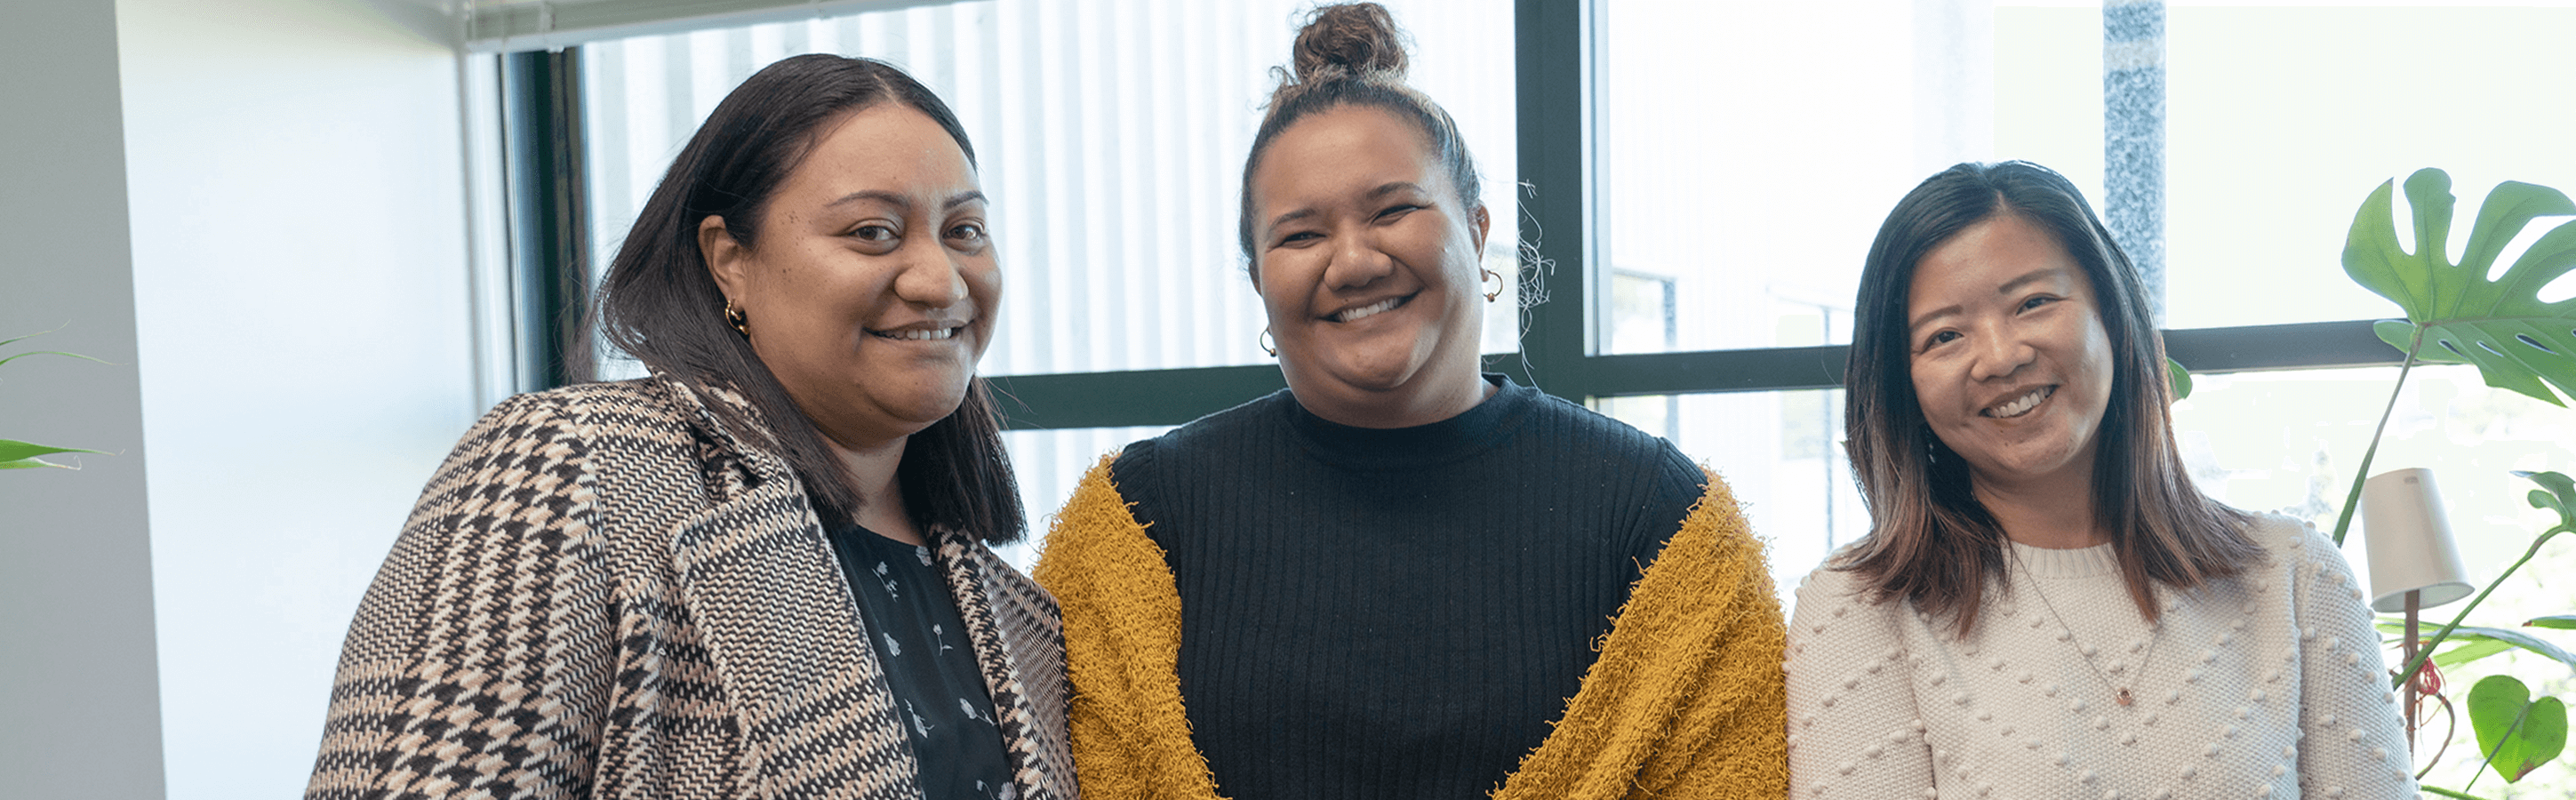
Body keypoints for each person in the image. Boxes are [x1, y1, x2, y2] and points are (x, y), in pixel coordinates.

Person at [1031, 5, 1784, 799]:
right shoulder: (1141, 519)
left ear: (1478, 229)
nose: (1353, 262)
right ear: (1259, 280)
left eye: (1393, 210)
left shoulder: (1661, 519)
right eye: (1298, 236)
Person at [303, 54, 1076, 800]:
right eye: (872, 232)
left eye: (965, 231)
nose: (939, 279)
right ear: (728, 259)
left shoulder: (1015, 613)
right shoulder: (569, 466)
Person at [1786, 161, 2415, 798]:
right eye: (1944, 336)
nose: (2001, 356)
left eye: (2032, 302)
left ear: (2111, 315)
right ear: (1904, 383)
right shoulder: (1859, 608)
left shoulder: (2293, 575)